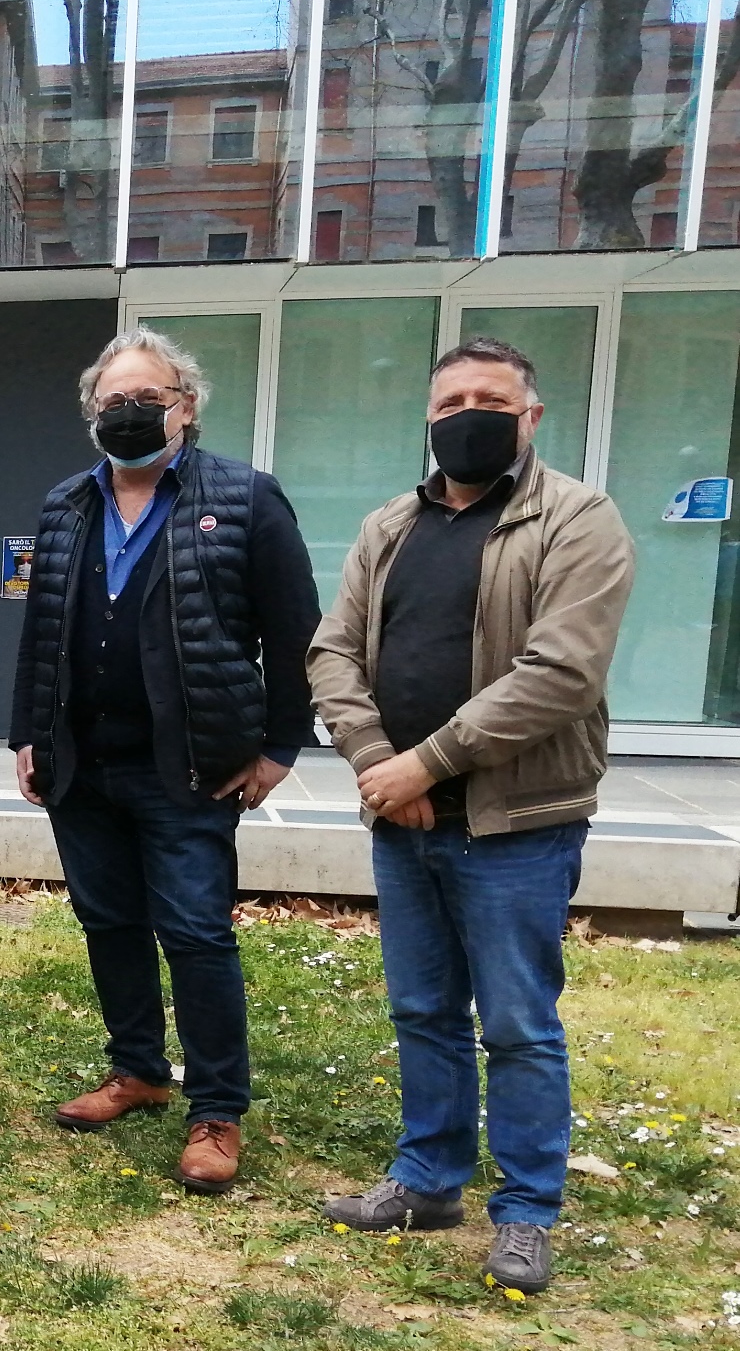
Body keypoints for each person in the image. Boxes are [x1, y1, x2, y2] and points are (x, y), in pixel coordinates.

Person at [308, 338, 634, 1294]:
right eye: (451, 402)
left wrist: (428, 761)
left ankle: (527, 1212)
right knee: (423, 1010)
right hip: (405, 818)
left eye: (491, 399)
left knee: (520, 1024)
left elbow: (562, 673)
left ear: (531, 416)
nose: (468, 415)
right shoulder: (390, 525)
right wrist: (378, 764)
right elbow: (332, 653)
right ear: (429, 416)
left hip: (516, 822)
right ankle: (428, 1180)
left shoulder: (578, 518)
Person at [10, 326, 320, 1194]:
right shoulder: (66, 504)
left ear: (185, 407)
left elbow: (296, 631)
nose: (130, 412)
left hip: (189, 766)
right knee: (109, 922)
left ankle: (216, 1109)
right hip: (84, 765)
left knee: (194, 933)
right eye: (113, 400)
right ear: (91, 414)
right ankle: (138, 1070)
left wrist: (280, 746)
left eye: (148, 398)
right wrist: (29, 733)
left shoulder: (245, 498)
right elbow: (42, 630)